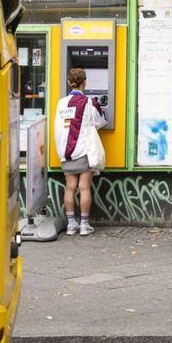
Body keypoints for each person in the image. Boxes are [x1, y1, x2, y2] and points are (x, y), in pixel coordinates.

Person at [54, 67, 107, 236]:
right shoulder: (89, 102)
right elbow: (100, 121)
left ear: (69, 83)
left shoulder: (61, 103)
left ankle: (71, 225)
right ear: (84, 82)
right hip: (83, 149)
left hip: (65, 150)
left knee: (70, 188)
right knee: (84, 187)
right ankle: (84, 225)